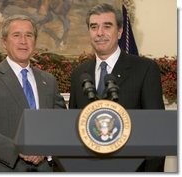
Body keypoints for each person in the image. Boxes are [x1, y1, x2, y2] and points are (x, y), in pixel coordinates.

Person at [69, 3, 165, 172]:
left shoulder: (145, 69)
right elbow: (73, 129)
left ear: (120, 32)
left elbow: (157, 130)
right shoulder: (79, 74)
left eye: (107, 26)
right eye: (94, 27)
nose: (100, 33)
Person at [0, 14, 66, 172]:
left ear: (35, 41)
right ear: (4, 42)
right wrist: (19, 149)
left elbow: (60, 125)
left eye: (29, 35)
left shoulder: (49, 81)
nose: (23, 41)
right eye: (16, 35)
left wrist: (44, 149)